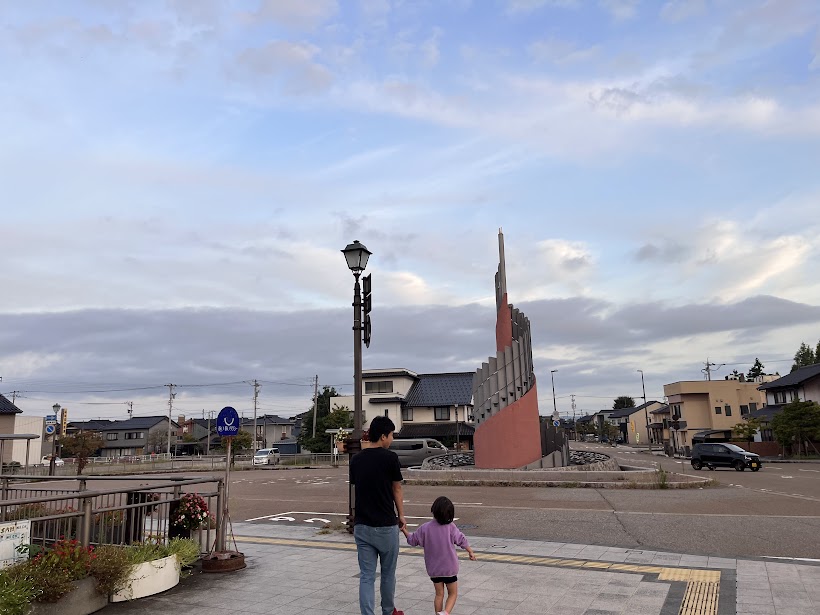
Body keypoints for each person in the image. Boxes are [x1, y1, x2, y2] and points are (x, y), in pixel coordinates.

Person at [349, 415, 406, 615]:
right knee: (388, 574)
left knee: (366, 576)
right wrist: (402, 516)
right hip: (386, 527)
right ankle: (388, 611)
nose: (391, 440)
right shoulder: (390, 458)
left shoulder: (356, 460)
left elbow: (357, 486)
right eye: (391, 435)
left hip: (362, 525)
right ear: (383, 436)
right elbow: (396, 489)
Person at [401, 496, 476, 615]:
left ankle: (438, 613)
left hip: (434, 570)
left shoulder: (425, 528)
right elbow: (461, 539)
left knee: (439, 594)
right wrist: (470, 551)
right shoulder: (451, 527)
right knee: (453, 593)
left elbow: (412, 540)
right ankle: (445, 613)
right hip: (449, 569)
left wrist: (404, 530)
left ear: (434, 510)